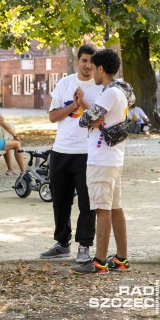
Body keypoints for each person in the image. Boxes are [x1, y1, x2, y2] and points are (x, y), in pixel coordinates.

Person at [72, 48, 135, 275]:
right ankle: (121, 258)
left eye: (94, 68)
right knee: (115, 207)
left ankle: (98, 261)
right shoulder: (121, 90)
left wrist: (89, 115)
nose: (92, 73)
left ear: (101, 69)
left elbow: (85, 120)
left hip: (101, 158)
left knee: (102, 209)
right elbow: (96, 117)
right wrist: (89, 110)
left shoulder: (109, 93)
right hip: (114, 158)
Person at [40, 44, 101, 263]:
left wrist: (83, 103)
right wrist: (73, 105)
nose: (88, 65)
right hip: (61, 150)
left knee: (87, 202)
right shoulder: (65, 84)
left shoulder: (100, 87)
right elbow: (53, 116)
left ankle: (84, 245)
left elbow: (97, 120)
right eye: (84, 61)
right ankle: (62, 243)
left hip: (87, 153)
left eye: (92, 62)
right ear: (78, 61)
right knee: (60, 200)